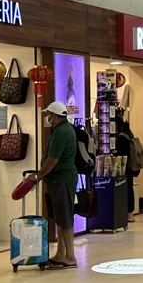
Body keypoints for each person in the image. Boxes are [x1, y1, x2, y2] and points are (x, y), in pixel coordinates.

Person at [39, 100, 78, 267]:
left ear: (54, 115)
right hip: (59, 180)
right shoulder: (64, 129)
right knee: (61, 217)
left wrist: (38, 176)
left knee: (65, 218)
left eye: (48, 114)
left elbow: (52, 160)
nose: (47, 117)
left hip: (62, 179)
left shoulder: (61, 132)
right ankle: (61, 253)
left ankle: (70, 256)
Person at [114, 114, 140, 222]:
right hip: (132, 167)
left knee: (127, 189)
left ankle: (128, 213)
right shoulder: (129, 133)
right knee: (129, 189)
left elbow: (120, 154)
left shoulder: (121, 138)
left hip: (126, 168)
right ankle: (130, 213)